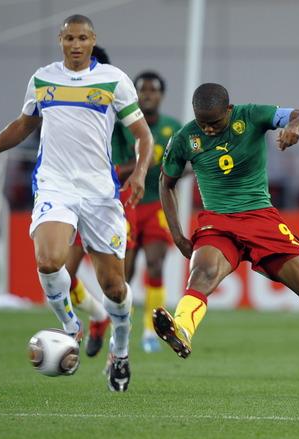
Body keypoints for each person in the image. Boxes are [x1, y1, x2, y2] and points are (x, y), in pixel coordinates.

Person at [0, 15, 154, 392]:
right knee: (48, 261)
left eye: (82, 38)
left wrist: (140, 173)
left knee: (114, 287)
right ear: (60, 40)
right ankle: (71, 327)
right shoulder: (43, 79)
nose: (76, 45)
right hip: (54, 186)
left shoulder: (114, 80)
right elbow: (22, 125)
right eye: (69, 38)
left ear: (93, 40)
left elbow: (143, 136)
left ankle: (120, 350)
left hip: (100, 193)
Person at [154, 83, 299, 403]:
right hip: (218, 222)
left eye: (214, 122)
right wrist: (177, 235)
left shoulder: (253, 116)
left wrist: (295, 126)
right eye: (203, 123)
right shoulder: (185, 138)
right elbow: (166, 182)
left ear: (229, 110)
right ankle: (182, 329)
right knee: (202, 274)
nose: (208, 129)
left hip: (261, 220)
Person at [112, 71, 181, 353]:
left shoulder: (173, 127)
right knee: (124, 273)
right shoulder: (121, 128)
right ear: (135, 94)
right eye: (143, 90)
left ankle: (151, 331)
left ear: (161, 95)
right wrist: (143, 162)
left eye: (153, 90)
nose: (148, 95)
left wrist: (173, 169)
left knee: (155, 264)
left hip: (157, 204)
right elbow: (113, 170)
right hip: (126, 204)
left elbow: (188, 164)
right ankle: (122, 327)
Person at [64, 45, 113, 359]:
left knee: (116, 282)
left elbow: (140, 151)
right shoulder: (65, 107)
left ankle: (120, 350)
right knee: (62, 276)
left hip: (109, 203)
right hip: (73, 199)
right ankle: (98, 316)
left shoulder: (118, 105)